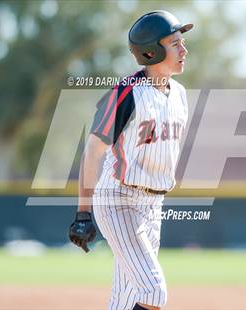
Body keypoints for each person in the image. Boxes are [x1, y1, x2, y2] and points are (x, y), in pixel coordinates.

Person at [69, 10, 193, 310]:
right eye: (174, 43)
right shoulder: (126, 94)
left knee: (126, 299)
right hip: (119, 200)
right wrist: (83, 213)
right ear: (152, 51)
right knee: (153, 291)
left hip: (153, 206)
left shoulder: (180, 95)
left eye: (182, 42)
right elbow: (92, 151)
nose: (183, 49)